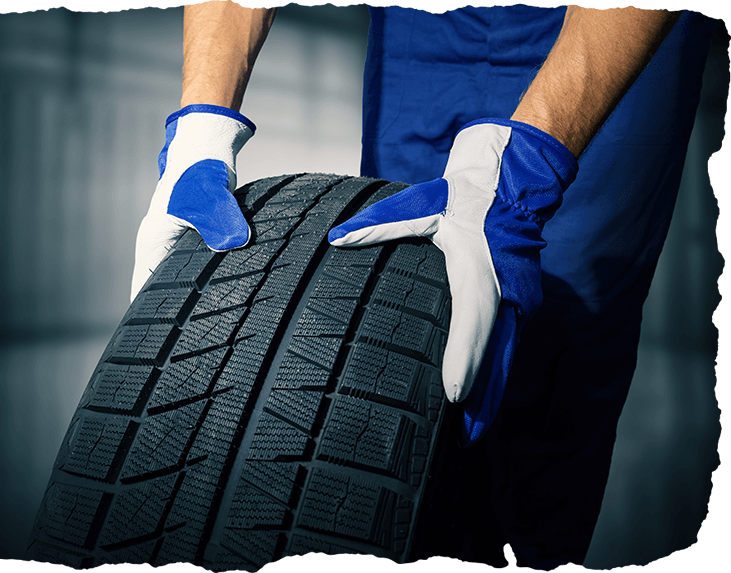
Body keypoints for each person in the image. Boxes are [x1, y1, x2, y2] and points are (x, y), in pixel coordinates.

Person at [130, 2, 718, 568]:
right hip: (425, 29)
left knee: (551, 340)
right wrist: (200, 130)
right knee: (401, 311)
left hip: (602, 25)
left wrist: (524, 173)